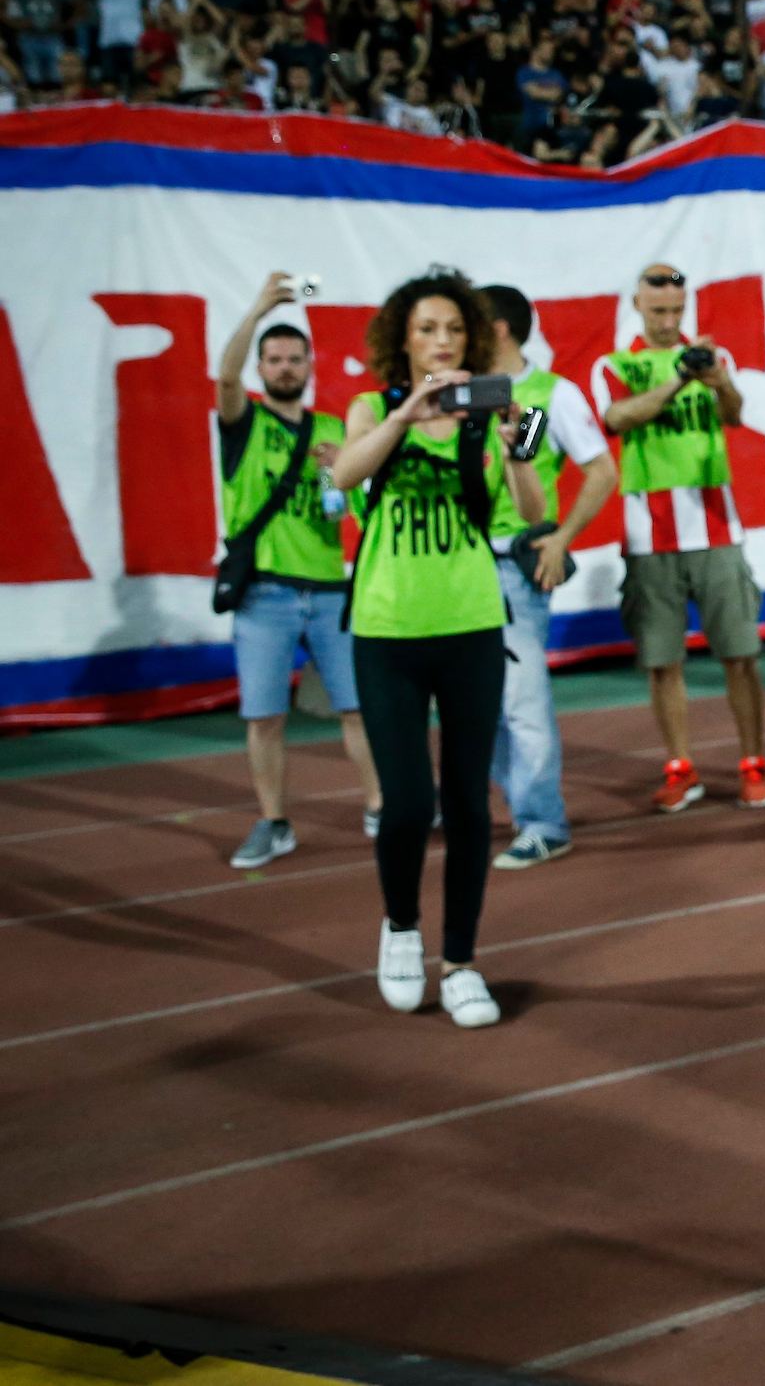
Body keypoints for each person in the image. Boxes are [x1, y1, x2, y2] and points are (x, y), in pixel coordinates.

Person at [330, 270, 548, 1030]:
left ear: (476, 340)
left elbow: (535, 513)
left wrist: (524, 436)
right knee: (408, 803)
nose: (442, 341)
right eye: (426, 329)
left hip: (471, 627)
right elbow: (347, 471)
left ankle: (460, 960)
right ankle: (399, 926)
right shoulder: (372, 407)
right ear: (402, 339)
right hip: (387, 630)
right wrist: (408, 415)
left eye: (454, 329)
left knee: (465, 804)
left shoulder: (495, 418)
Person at [214, 272, 384, 869]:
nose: (284, 367)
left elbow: (359, 509)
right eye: (274, 358)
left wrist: (343, 470)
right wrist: (260, 308)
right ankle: (274, 821)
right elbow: (227, 378)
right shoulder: (243, 425)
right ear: (262, 366)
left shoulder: (337, 429)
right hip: (264, 595)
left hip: (332, 591)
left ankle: (379, 807)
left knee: (359, 706)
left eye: (294, 358)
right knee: (265, 716)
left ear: (311, 363)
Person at [597, 266, 765, 812]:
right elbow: (617, 417)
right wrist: (677, 379)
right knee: (662, 662)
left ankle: (752, 764)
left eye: (677, 310)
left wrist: (719, 381)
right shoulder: (617, 364)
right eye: (658, 311)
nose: (670, 321)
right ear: (637, 305)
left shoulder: (711, 359)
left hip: (717, 526)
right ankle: (680, 767)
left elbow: (735, 416)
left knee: (740, 654)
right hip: (650, 535)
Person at [480, 285, 620, 869]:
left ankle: (543, 821)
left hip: (513, 568)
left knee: (522, 700)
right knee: (476, 701)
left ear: (500, 329)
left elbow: (602, 470)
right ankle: (521, 806)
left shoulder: (549, 396)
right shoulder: (461, 393)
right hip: (456, 567)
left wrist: (560, 539)